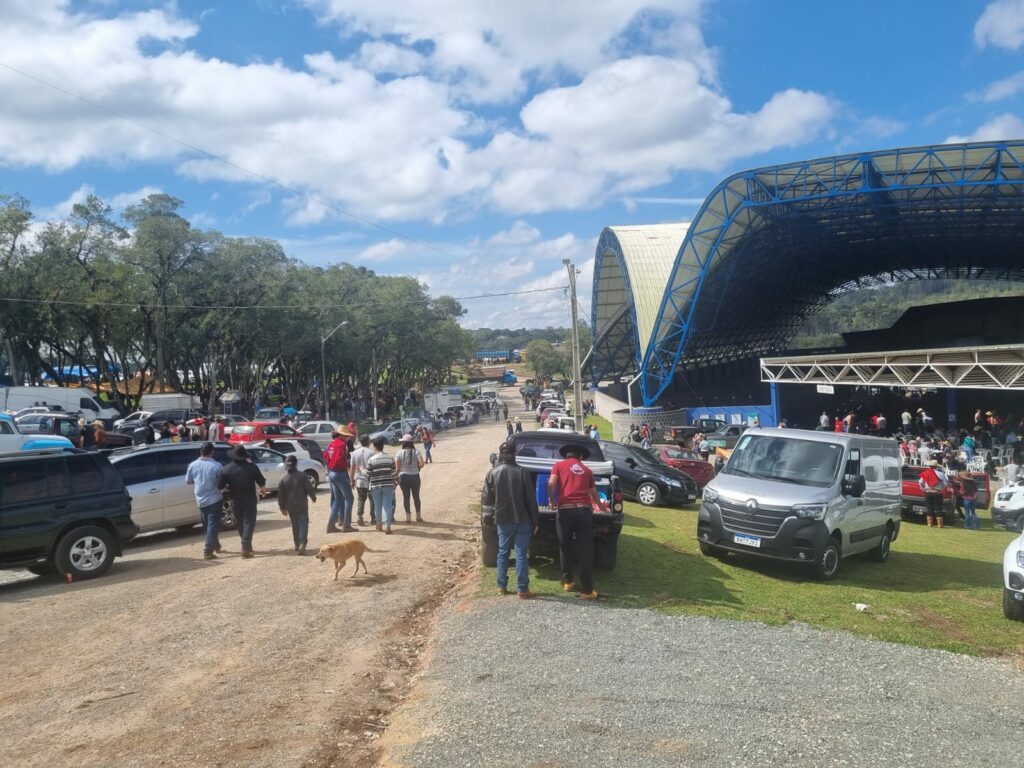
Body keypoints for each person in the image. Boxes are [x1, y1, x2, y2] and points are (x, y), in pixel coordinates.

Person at [547, 444, 608, 600]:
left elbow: (551, 483)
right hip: (583, 511)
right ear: (581, 457)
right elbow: (594, 494)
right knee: (586, 549)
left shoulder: (558, 466)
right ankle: (587, 590)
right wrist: (601, 507)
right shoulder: (587, 471)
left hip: (565, 511)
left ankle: (567, 582)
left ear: (566, 456)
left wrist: (553, 501)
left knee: (564, 545)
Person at [483, 441, 539, 599]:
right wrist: (535, 521)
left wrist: (487, 520)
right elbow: (530, 499)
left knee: (503, 553)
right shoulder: (522, 472)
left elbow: (487, 501)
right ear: (514, 454)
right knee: (521, 553)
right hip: (523, 519)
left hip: (502, 519)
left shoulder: (492, 473)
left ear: (500, 455)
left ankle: (501, 587)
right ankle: (522, 589)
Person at [218, 445, 268, 557]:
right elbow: (261, 482)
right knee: (249, 522)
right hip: (250, 498)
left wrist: (229, 487)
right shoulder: (252, 467)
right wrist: (263, 491)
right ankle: (245, 546)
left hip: (235, 499)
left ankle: (247, 546)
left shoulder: (226, 469)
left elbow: (220, 486)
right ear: (245, 456)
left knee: (240, 522)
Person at [186, 442, 224, 560]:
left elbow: (188, 481)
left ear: (200, 452)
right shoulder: (217, 465)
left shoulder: (192, 465)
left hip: (200, 499)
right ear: (212, 452)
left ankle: (216, 545)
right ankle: (208, 550)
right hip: (214, 498)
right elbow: (221, 482)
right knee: (213, 524)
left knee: (208, 525)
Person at [278, 455, 316, 554]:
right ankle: (303, 542)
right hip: (302, 504)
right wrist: (313, 497)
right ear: (296, 464)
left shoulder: (283, 478)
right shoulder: (302, 475)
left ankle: (297, 544)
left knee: (295, 525)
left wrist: (282, 507)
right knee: (303, 523)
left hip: (290, 506)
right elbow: (309, 488)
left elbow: (280, 495)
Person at [324, 427, 356, 533]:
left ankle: (331, 525)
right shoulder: (342, 445)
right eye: (346, 435)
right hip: (340, 473)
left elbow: (325, 456)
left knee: (338, 499)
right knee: (349, 498)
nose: (348, 437)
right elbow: (341, 459)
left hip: (331, 472)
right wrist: (347, 467)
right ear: (342, 435)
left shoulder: (332, 443)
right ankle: (346, 525)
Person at [366, 437, 398, 534]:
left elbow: (367, 474)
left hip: (375, 486)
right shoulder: (390, 458)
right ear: (383, 446)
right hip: (388, 485)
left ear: (375, 447)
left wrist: (362, 469)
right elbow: (394, 473)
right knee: (388, 505)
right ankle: (388, 527)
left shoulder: (371, 460)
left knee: (377, 505)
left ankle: (379, 525)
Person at [396, 434, 425, 523]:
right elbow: (422, 464)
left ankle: (408, 518)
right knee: (416, 497)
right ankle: (418, 516)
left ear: (404, 443)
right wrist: (417, 467)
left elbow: (398, 468)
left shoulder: (399, 452)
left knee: (406, 497)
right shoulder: (417, 452)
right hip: (415, 476)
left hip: (403, 477)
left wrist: (396, 477)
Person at [350, 434, 376, 526]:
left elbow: (352, 468)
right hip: (370, 479)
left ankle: (359, 517)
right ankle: (374, 518)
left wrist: (352, 480)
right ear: (368, 442)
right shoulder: (372, 453)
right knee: (372, 499)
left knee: (361, 498)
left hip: (359, 479)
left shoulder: (354, 453)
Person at [918, 460, 948, 528]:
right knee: (938, 508)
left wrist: (923, 489)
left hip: (928, 492)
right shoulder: (941, 474)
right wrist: (941, 488)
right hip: (937, 492)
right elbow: (946, 484)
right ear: (936, 466)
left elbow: (920, 482)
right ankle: (940, 524)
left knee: (929, 508)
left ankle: (930, 523)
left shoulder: (925, 473)